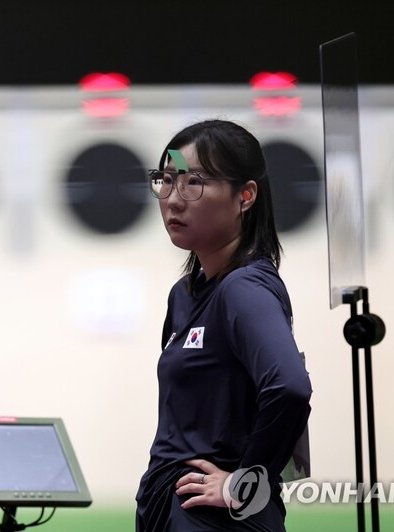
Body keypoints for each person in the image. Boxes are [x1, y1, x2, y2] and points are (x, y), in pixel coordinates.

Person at [135, 120, 312, 531]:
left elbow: (289, 387)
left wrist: (244, 480)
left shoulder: (244, 288)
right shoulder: (185, 295)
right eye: (165, 180)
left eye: (194, 182)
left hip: (220, 519)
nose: (173, 199)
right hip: (174, 511)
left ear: (244, 196)